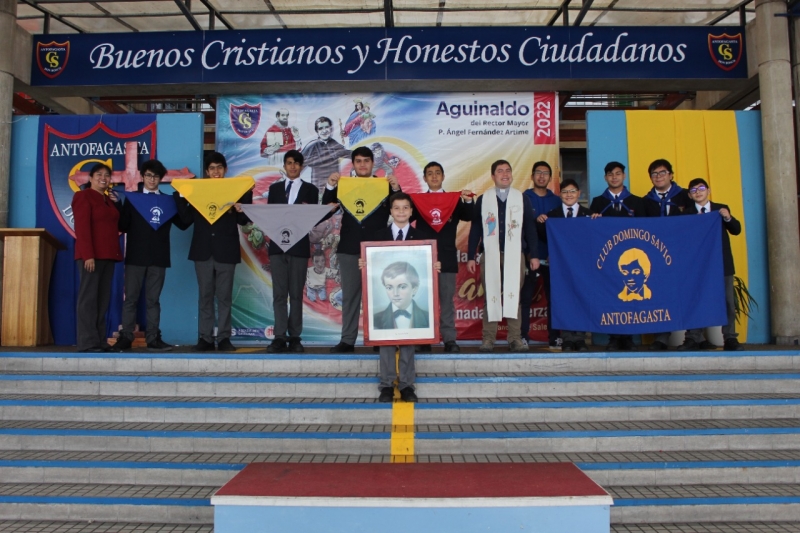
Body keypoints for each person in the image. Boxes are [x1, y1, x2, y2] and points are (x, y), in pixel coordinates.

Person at [359, 192, 439, 403]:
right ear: (391, 211)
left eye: (405, 208)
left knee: (408, 341)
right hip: (388, 308)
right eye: (397, 208)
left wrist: (434, 265)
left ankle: (406, 385)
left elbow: (425, 268)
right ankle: (386, 385)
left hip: (409, 307)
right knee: (385, 340)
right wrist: (364, 264)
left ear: (411, 211)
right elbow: (373, 266)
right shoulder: (377, 236)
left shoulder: (422, 237)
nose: (401, 212)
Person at [323, 146, 401, 353]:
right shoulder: (345, 185)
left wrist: (396, 189)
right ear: (353, 164)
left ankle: (380, 339)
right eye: (358, 161)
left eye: (367, 161)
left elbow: (401, 209)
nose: (363, 164)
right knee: (350, 296)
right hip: (349, 248)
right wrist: (330, 186)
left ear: (373, 163)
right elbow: (325, 211)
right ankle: (347, 341)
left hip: (378, 249)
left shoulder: (383, 185)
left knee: (380, 295)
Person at [176, 152, 252, 352]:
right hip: (202, 251)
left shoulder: (236, 190)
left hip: (226, 251)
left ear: (225, 170)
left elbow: (244, 221)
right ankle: (206, 338)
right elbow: (184, 221)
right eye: (212, 168)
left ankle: (225, 338)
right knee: (205, 296)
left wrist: (241, 208)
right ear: (207, 172)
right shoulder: (198, 191)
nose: (216, 171)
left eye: (219, 167)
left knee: (225, 297)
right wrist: (180, 195)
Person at [115, 159, 188, 352]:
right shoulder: (132, 199)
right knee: (130, 299)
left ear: (161, 178)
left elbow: (184, 223)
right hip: (135, 256)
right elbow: (122, 226)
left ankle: (153, 338)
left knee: (153, 300)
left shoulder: (168, 201)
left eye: (156, 176)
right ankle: (126, 337)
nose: (152, 179)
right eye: (148, 175)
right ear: (142, 176)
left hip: (159, 257)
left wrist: (181, 198)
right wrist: (117, 206)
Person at [467, 160, 539, 353]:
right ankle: (488, 339)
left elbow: (530, 228)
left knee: (514, 295)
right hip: (491, 254)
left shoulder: (521, 198)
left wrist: (534, 255)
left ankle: (514, 338)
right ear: (493, 176)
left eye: (508, 170)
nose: (505, 174)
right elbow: (476, 228)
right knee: (491, 294)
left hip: (516, 254)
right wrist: (471, 256)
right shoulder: (484, 199)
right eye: (500, 171)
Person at [410, 161, 473, 353]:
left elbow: (469, 216)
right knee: (422, 301)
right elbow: (402, 216)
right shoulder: (417, 201)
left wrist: (468, 200)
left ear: (443, 176)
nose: (434, 176)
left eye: (438, 173)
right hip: (423, 258)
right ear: (424, 178)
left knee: (446, 302)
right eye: (430, 173)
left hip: (446, 257)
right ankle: (424, 339)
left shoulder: (453, 200)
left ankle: (449, 340)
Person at [265, 150, 323, 354]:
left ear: (301, 166)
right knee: (279, 294)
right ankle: (279, 336)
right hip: (277, 247)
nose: (292, 166)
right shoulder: (274, 189)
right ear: (284, 165)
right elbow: (269, 217)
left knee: (296, 294)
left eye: (296, 163)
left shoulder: (310, 190)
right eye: (289, 163)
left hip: (298, 247)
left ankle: (295, 336)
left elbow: (314, 218)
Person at [677, 178, 744, 352]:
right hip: (697, 267)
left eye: (701, 188)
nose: (698, 192)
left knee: (728, 302)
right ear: (690, 196)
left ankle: (730, 338)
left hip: (722, 265)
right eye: (693, 190)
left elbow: (736, 230)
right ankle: (693, 337)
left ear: (709, 190)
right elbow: (682, 240)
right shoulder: (687, 215)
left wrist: (727, 217)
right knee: (695, 299)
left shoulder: (720, 209)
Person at [589, 161, 646, 351]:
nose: (614, 177)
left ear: (624, 176)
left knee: (631, 296)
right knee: (611, 295)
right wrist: (594, 221)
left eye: (618, 173)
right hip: (608, 258)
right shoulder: (598, 202)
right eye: (610, 174)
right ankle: (613, 336)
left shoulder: (637, 201)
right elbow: (591, 231)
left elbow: (647, 228)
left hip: (631, 257)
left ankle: (628, 336)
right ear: (605, 178)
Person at [72, 163, 123, 352]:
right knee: (88, 300)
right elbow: (82, 228)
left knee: (102, 300)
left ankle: (100, 340)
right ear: (91, 178)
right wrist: (88, 255)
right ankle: (87, 342)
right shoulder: (83, 196)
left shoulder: (109, 201)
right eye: (99, 174)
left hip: (108, 256)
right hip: (91, 256)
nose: (103, 177)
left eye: (107, 175)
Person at [536, 179, 592, 352]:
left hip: (582, 268)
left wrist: (597, 221)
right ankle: (567, 338)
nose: (569, 195)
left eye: (572, 191)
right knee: (563, 301)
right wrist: (539, 222)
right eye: (565, 192)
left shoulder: (589, 215)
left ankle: (580, 339)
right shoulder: (551, 216)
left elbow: (593, 241)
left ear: (579, 194)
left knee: (581, 299)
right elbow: (545, 238)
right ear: (560, 194)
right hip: (560, 268)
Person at [643, 158, 691, 350]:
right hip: (657, 257)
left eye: (662, 173)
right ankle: (661, 338)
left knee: (688, 292)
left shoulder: (686, 197)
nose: (658, 177)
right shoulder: (645, 202)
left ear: (671, 175)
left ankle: (693, 337)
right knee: (659, 295)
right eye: (654, 174)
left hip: (683, 254)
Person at [520, 161, 562, 348]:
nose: (542, 176)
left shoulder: (557, 200)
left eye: (545, 173)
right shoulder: (523, 198)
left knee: (554, 298)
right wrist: (528, 253)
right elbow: (519, 229)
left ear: (550, 178)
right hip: (529, 257)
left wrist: (557, 254)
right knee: (525, 298)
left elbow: (562, 232)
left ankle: (555, 337)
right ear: (532, 176)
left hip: (553, 258)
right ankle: (522, 336)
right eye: (538, 172)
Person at [373, 262, 430, 330]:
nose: (395, 293)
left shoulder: (429, 318)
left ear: (414, 289)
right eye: (389, 288)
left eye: (402, 287)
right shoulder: (374, 320)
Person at [301, 116, 350, 190]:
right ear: (317, 131)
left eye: (326, 127)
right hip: (317, 188)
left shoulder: (334, 144)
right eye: (320, 128)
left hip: (334, 188)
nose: (324, 131)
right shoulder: (312, 145)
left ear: (331, 128)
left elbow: (350, 154)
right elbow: (298, 163)